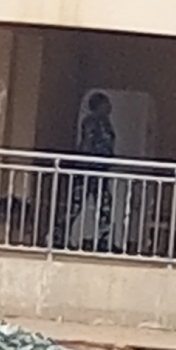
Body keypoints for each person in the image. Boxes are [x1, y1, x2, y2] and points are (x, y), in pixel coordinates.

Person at [69, 92, 116, 251]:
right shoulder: (91, 121)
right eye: (106, 103)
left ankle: (104, 240)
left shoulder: (106, 122)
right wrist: (82, 165)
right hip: (89, 168)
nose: (109, 107)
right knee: (76, 205)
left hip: (101, 169)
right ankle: (60, 236)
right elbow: (87, 142)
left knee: (104, 205)